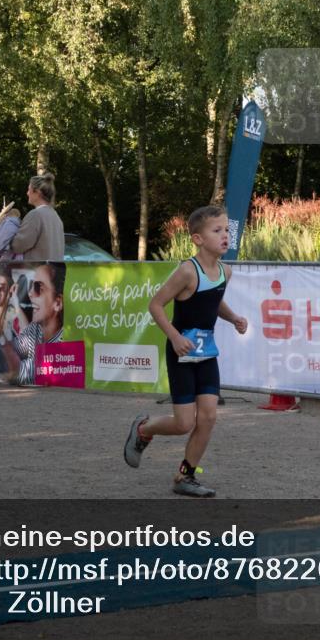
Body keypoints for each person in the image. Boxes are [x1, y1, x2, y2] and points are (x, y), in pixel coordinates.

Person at [123, 205, 248, 498]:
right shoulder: (186, 271)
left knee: (208, 417)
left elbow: (212, 302)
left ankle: (185, 476)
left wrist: (234, 318)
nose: (225, 236)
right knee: (183, 423)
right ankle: (143, 429)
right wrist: (175, 337)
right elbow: (156, 305)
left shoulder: (225, 272)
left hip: (207, 354)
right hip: (181, 352)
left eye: (226, 230)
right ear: (197, 239)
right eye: (216, 231)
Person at [6, 262, 65, 386]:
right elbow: (13, 351)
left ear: (57, 303)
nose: (30, 293)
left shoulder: (65, 340)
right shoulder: (36, 328)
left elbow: (15, 370)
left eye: (39, 288)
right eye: (31, 286)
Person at [9, 173, 64, 261]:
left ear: (37, 193)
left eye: (29, 190)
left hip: (35, 271)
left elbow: (18, 246)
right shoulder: (55, 216)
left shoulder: (35, 215)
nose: (27, 193)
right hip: (53, 272)